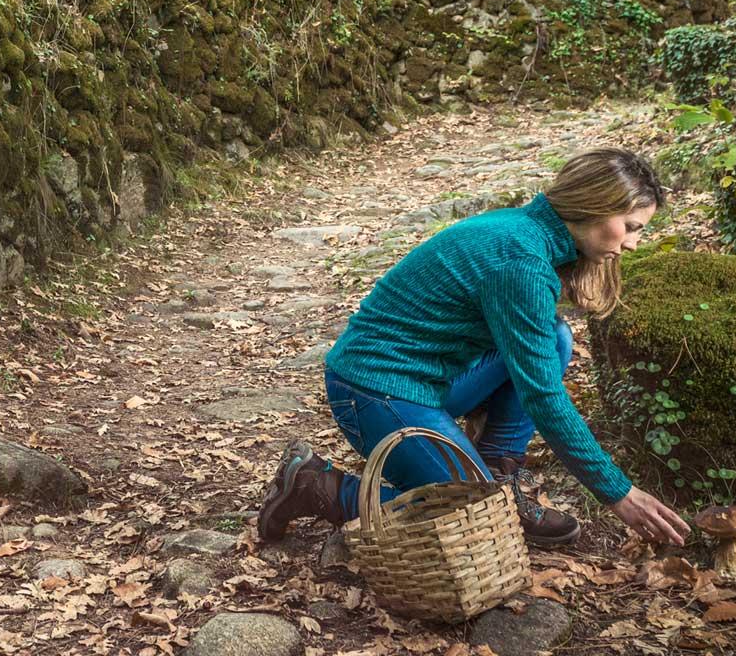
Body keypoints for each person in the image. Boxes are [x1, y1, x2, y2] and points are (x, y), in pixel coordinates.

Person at [256, 148, 691, 548]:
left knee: (554, 338)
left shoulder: (530, 233)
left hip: (433, 379)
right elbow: (543, 397)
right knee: (472, 515)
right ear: (594, 205)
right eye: (631, 227)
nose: (633, 243)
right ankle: (315, 485)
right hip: (374, 388)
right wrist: (617, 491)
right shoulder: (520, 261)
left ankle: (498, 482)